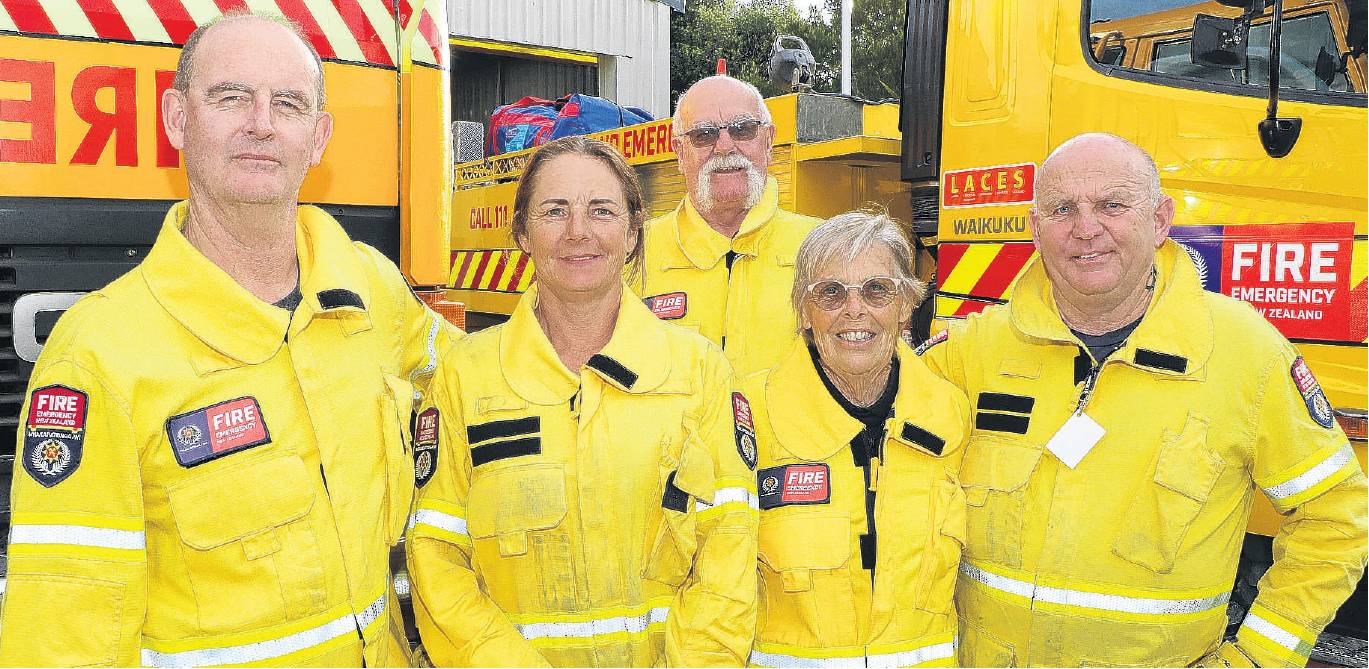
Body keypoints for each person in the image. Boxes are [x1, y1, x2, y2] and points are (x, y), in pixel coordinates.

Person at [0, 12, 455, 667]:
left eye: (288, 103)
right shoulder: (96, 360)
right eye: (231, 96)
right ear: (177, 118)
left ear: (319, 135)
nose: (261, 123)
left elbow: (473, 382)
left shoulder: (369, 286)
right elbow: (64, 644)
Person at [919, 133, 1368, 667]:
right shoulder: (968, 352)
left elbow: (1335, 514)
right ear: (1036, 230)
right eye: (1063, 209)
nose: (1087, 229)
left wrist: (1259, 656)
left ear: (1159, 220)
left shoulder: (1245, 352)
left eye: (1112, 205)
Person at [406, 135, 758, 668]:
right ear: (522, 233)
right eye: (554, 211)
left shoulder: (700, 372)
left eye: (601, 210)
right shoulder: (464, 376)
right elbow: (435, 556)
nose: (578, 233)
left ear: (633, 231)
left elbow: (729, 553)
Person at [742, 211, 969, 667]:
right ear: (804, 312)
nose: (854, 310)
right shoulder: (748, 414)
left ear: (907, 305)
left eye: (876, 289)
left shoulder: (950, 414)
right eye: (830, 292)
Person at [635, 75, 821, 377]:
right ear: (680, 153)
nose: (724, 146)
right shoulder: (632, 256)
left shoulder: (822, 249)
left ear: (769, 140)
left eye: (743, 129)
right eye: (703, 134)